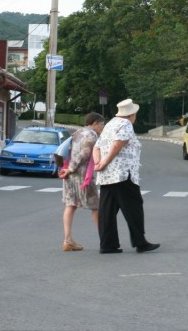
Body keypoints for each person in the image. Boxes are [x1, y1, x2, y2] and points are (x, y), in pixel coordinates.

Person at [94, 98, 159, 254]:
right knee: (134, 207)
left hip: (107, 175)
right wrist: (104, 162)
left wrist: (99, 163)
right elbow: (118, 144)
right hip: (122, 173)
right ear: (132, 115)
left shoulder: (109, 124)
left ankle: (107, 244)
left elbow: (96, 147)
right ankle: (140, 242)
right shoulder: (126, 124)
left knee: (107, 210)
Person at [57, 112, 104, 252]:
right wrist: (71, 169)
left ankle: (67, 240)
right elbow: (85, 154)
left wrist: (68, 169)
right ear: (95, 123)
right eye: (102, 124)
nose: (103, 127)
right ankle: (105, 238)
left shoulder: (77, 132)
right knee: (96, 207)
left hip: (70, 176)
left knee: (70, 205)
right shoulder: (91, 135)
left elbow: (68, 151)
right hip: (83, 176)